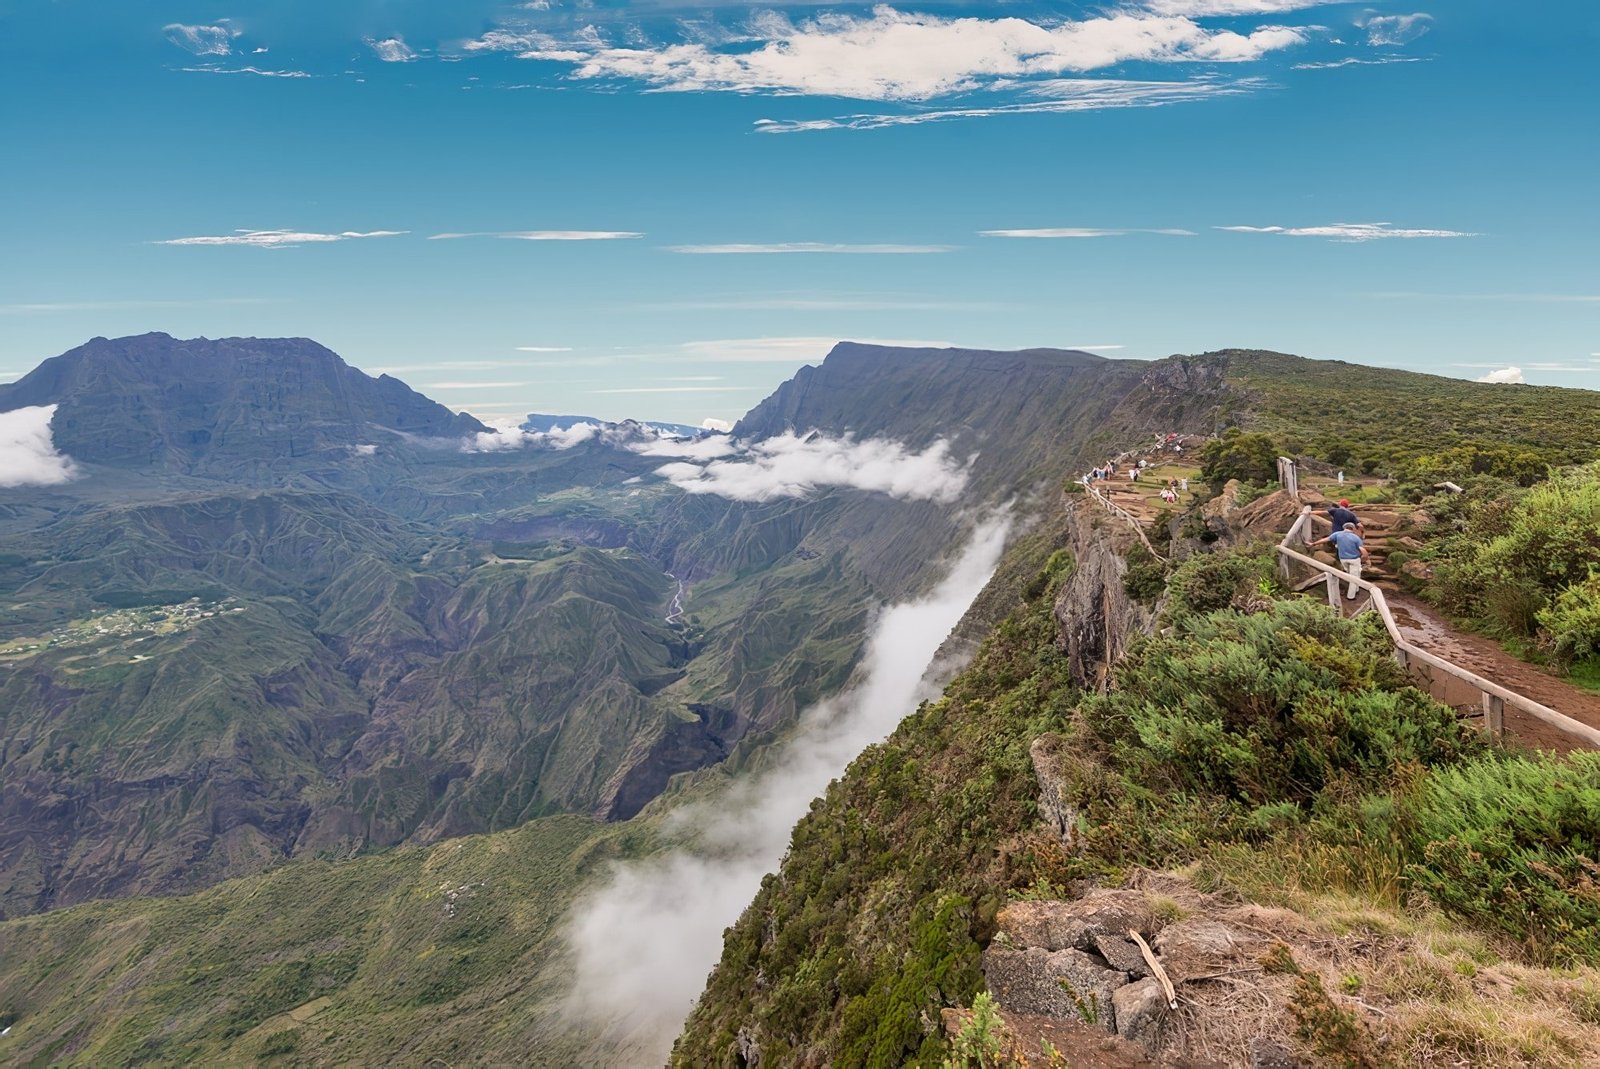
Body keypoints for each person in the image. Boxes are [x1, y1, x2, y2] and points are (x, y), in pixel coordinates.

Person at [1313, 521, 1370, 599]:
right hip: (1354, 559)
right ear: (1353, 529)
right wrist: (1366, 558)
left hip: (1343, 559)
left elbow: (1326, 539)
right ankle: (1351, 596)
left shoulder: (1337, 534)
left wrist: (1314, 544)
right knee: (1354, 578)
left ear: (1344, 528)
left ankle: (1356, 589)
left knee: (1353, 573)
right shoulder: (1355, 538)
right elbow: (1362, 550)